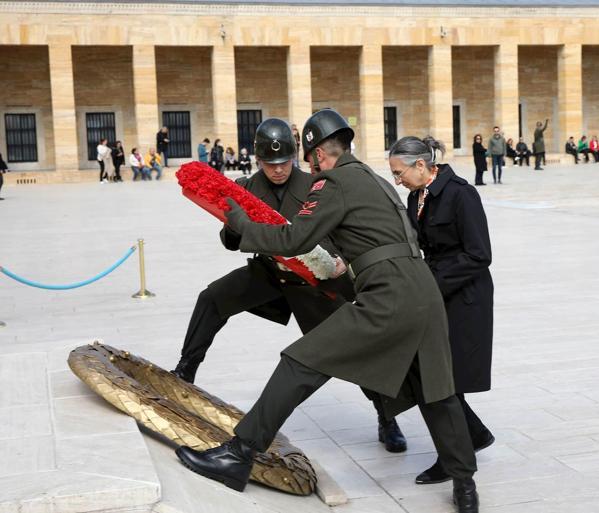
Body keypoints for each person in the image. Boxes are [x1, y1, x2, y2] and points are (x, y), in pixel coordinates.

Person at [175, 110, 479, 513]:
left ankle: (239, 453)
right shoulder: (373, 179)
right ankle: (465, 485)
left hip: (385, 294)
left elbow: (295, 237)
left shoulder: (332, 182)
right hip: (424, 290)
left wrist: (243, 225)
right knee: (437, 390)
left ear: (317, 154)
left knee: (300, 361)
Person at [172, 117, 407, 454]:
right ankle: (186, 369)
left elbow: (338, 231)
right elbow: (229, 240)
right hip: (269, 273)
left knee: (352, 350)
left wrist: (338, 262)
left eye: (284, 162)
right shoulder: (247, 187)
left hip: (312, 284)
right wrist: (231, 218)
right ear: (258, 160)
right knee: (212, 298)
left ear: (295, 157)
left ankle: (387, 418)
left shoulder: (319, 183)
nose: (278, 170)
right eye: (270, 163)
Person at [390, 135, 495, 487]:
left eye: (399, 172)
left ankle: (454, 456)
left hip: (463, 297)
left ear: (421, 165)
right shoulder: (416, 196)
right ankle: (472, 436)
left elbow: (480, 254)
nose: (397, 179)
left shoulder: (461, 194)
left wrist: (433, 280)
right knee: (437, 375)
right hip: (436, 294)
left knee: (445, 379)